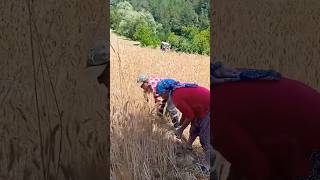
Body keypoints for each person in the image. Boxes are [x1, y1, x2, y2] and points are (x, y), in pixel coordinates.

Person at [155, 79, 214, 173]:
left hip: (208, 108)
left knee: (204, 138)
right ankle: (188, 147)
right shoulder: (177, 92)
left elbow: (190, 115)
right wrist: (180, 126)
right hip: (201, 107)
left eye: (161, 94)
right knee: (194, 128)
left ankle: (207, 166)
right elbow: (186, 112)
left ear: (166, 91)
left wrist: (181, 129)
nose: (162, 97)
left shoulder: (176, 97)